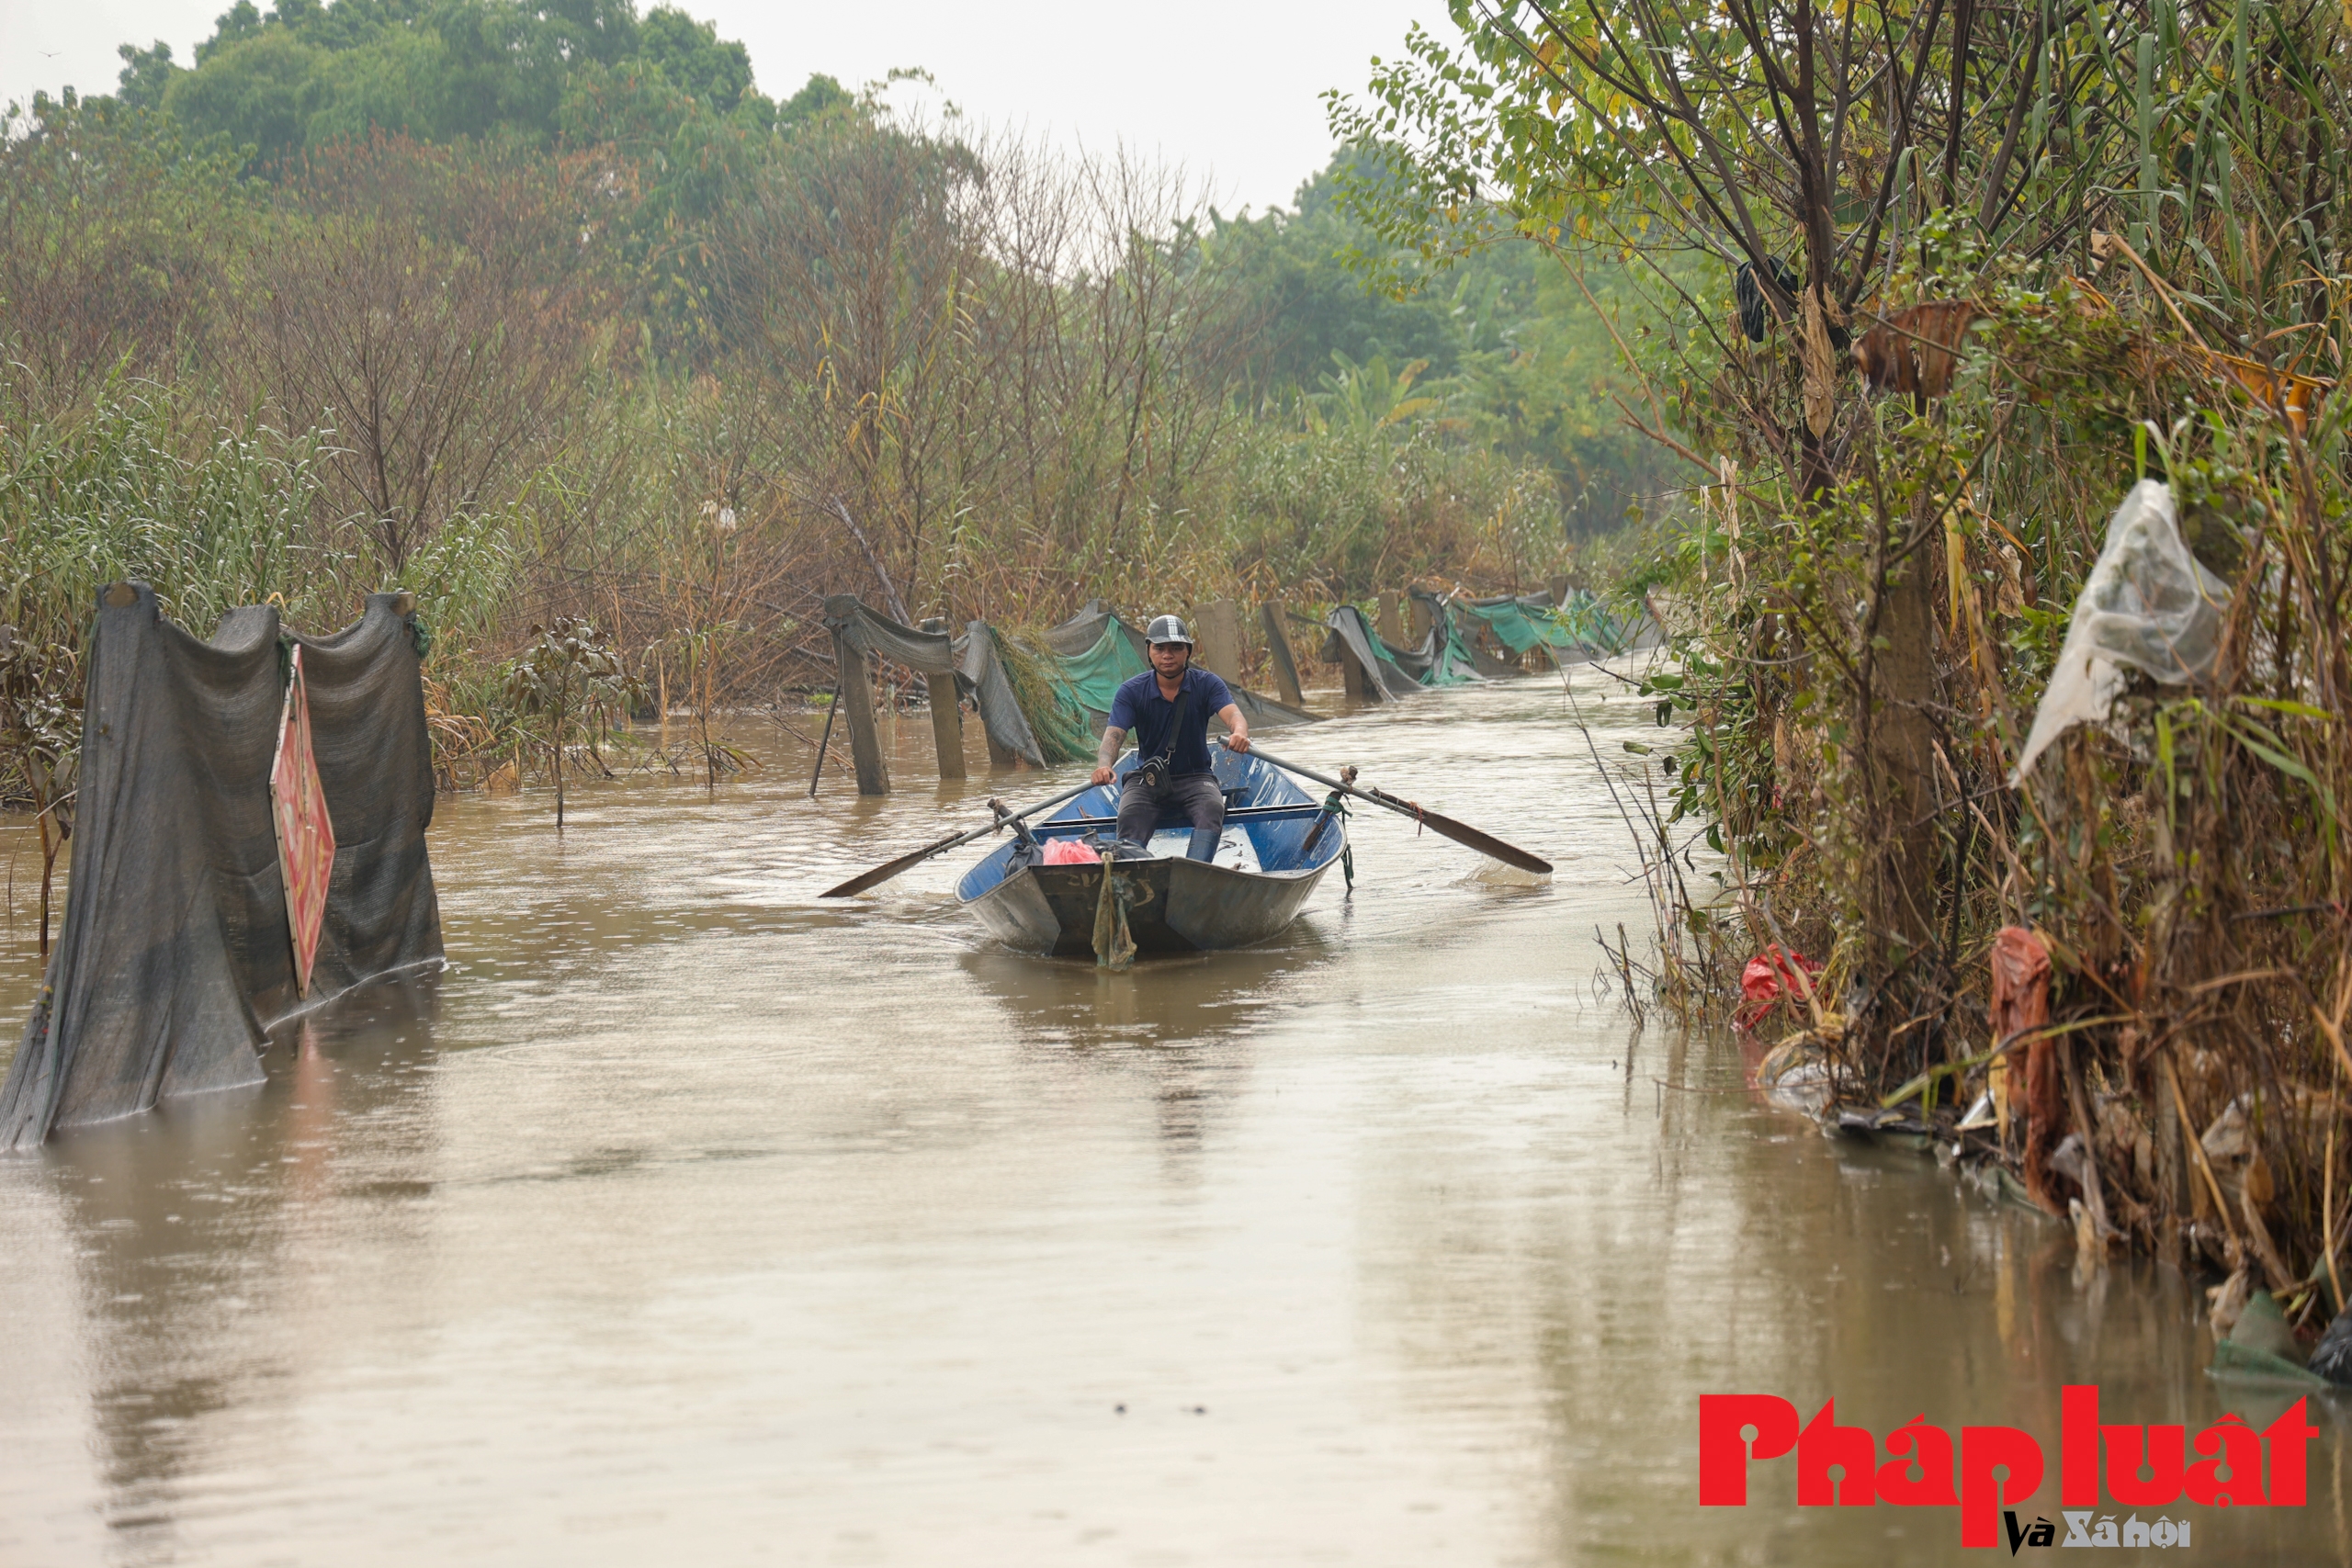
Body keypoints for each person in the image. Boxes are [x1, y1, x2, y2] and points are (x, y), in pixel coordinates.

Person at [1091, 615, 1250, 860]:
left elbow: (1234, 715)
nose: (1168, 655)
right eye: (1160, 648)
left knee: (1212, 807)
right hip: (1149, 779)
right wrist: (1104, 766)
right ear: (1149, 651)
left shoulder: (1207, 684)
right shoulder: (1131, 691)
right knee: (1129, 815)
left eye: (1176, 648)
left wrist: (1239, 733)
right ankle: (1134, 872)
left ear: (1188, 652)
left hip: (1196, 778)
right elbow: (1114, 735)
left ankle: (1195, 871)